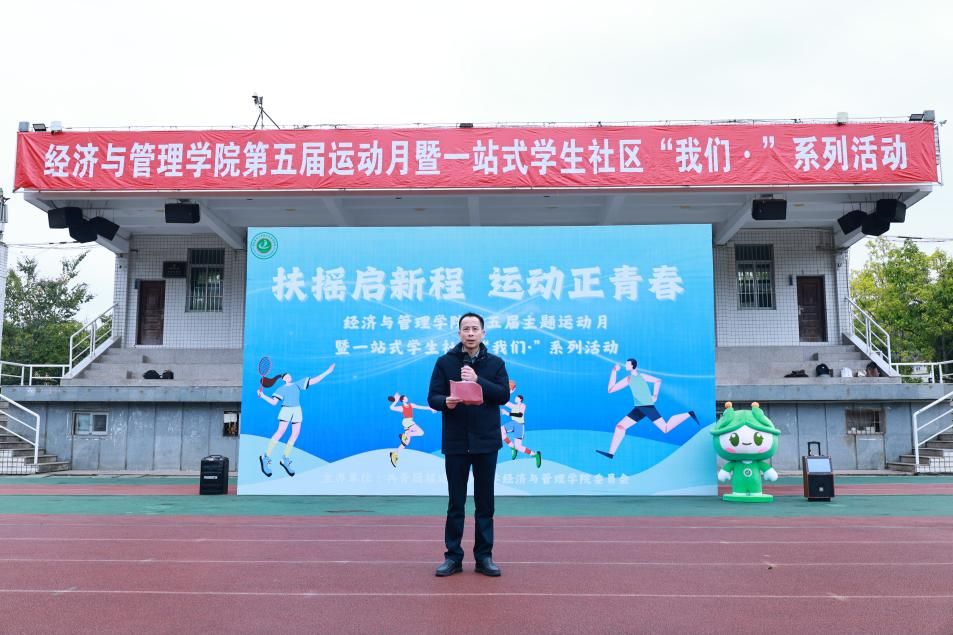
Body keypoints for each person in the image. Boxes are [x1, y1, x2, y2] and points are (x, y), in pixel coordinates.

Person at [428, 312, 509, 577]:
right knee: (456, 503)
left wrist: (477, 381)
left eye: (475, 328)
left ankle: (484, 557)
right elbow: (432, 397)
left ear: (483, 333)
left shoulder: (495, 363)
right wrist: (445, 402)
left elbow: (503, 396)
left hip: (486, 442)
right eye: (466, 329)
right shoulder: (445, 362)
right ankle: (453, 557)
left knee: (485, 503)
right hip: (456, 442)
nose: (471, 333)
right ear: (459, 333)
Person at [596, 358, 698, 459]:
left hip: (647, 407)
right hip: (639, 408)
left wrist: (655, 395)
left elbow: (658, 380)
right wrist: (614, 371)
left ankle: (689, 414)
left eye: (627, 364)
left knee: (665, 428)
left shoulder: (642, 376)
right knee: (620, 426)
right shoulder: (628, 379)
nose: (625, 365)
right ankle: (611, 453)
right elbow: (611, 389)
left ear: (632, 366)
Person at [257, 363, 335, 477]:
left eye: (290, 375)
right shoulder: (281, 389)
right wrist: (263, 395)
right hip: (286, 410)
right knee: (280, 432)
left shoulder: (297, 384)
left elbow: (313, 381)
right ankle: (265, 457)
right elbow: (274, 403)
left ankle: (285, 458)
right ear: (283, 379)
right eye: (287, 376)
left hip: (297, 410)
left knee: (295, 434)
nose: (289, 376)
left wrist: (327, 372)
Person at [388, 392, 436, 467]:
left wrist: (430, 408)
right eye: (405, 397)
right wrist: (396, 401)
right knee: (421, 432)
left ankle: (395, 453)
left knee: (406, 442)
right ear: (403, 400)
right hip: (407, 422)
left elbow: (420, 407)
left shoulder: (411, 405)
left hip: (409, 422)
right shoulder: (401, 408)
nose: (407, 398)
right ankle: (404, 436)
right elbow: (391, 408)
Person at [500, 386, 541, 468]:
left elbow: (520, 415)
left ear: (520, 399)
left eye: (516, 398)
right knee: (500, 431)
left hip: (519, 426)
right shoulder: (513, 406)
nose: (515, 398)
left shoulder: (523, 405)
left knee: (518, 447)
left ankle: (535, 455)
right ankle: (512, 447)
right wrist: (509, 392)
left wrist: (507, 413)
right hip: (513, 423)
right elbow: (504, 401)